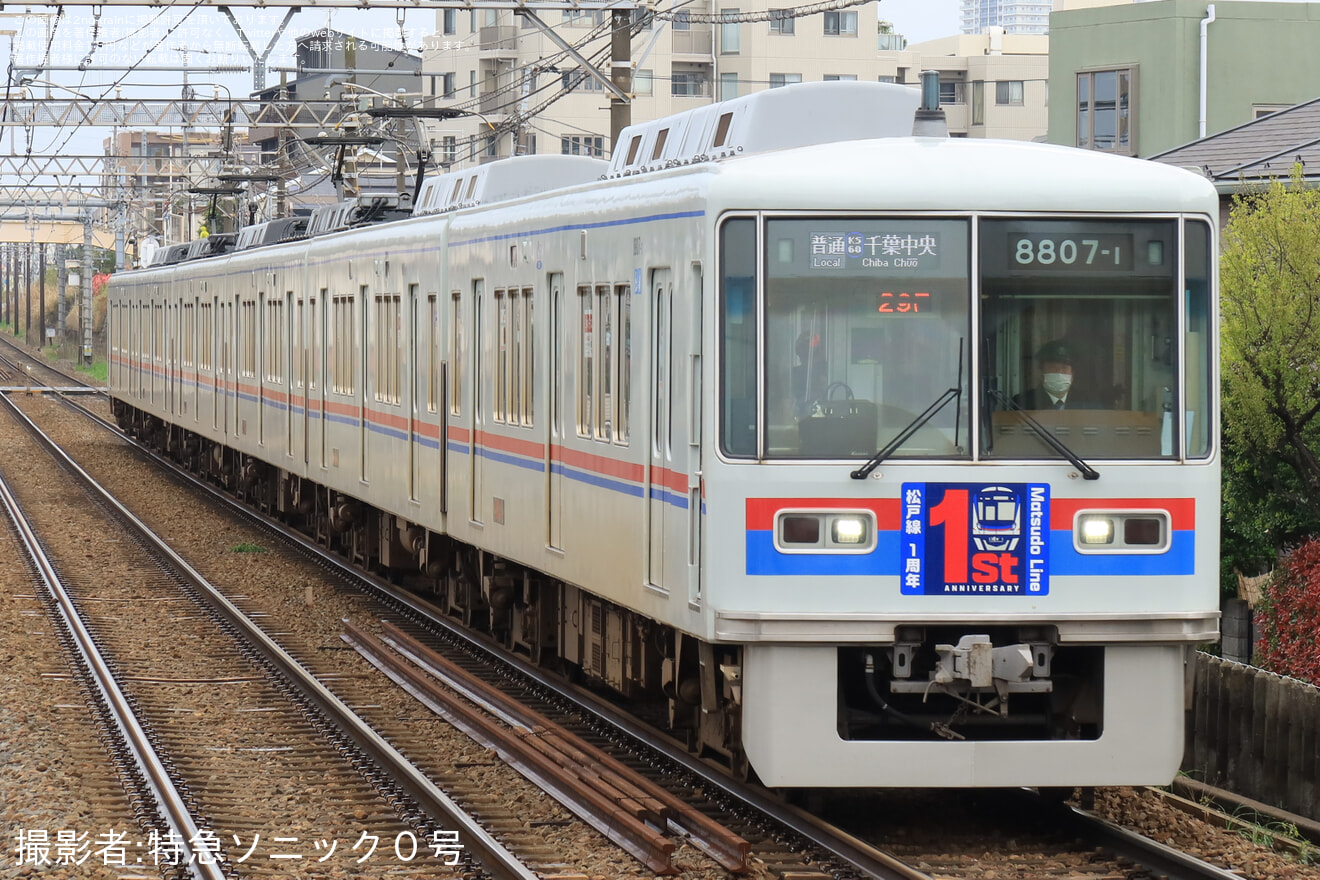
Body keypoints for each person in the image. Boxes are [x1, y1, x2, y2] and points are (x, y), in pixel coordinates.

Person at [1013, 339, 1097, 410]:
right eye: (1052, 368)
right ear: (1041, 372)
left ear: (1072, 374)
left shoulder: (1086, 403)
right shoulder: (1021, 403)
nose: (1059, 372)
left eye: (1064, 368)